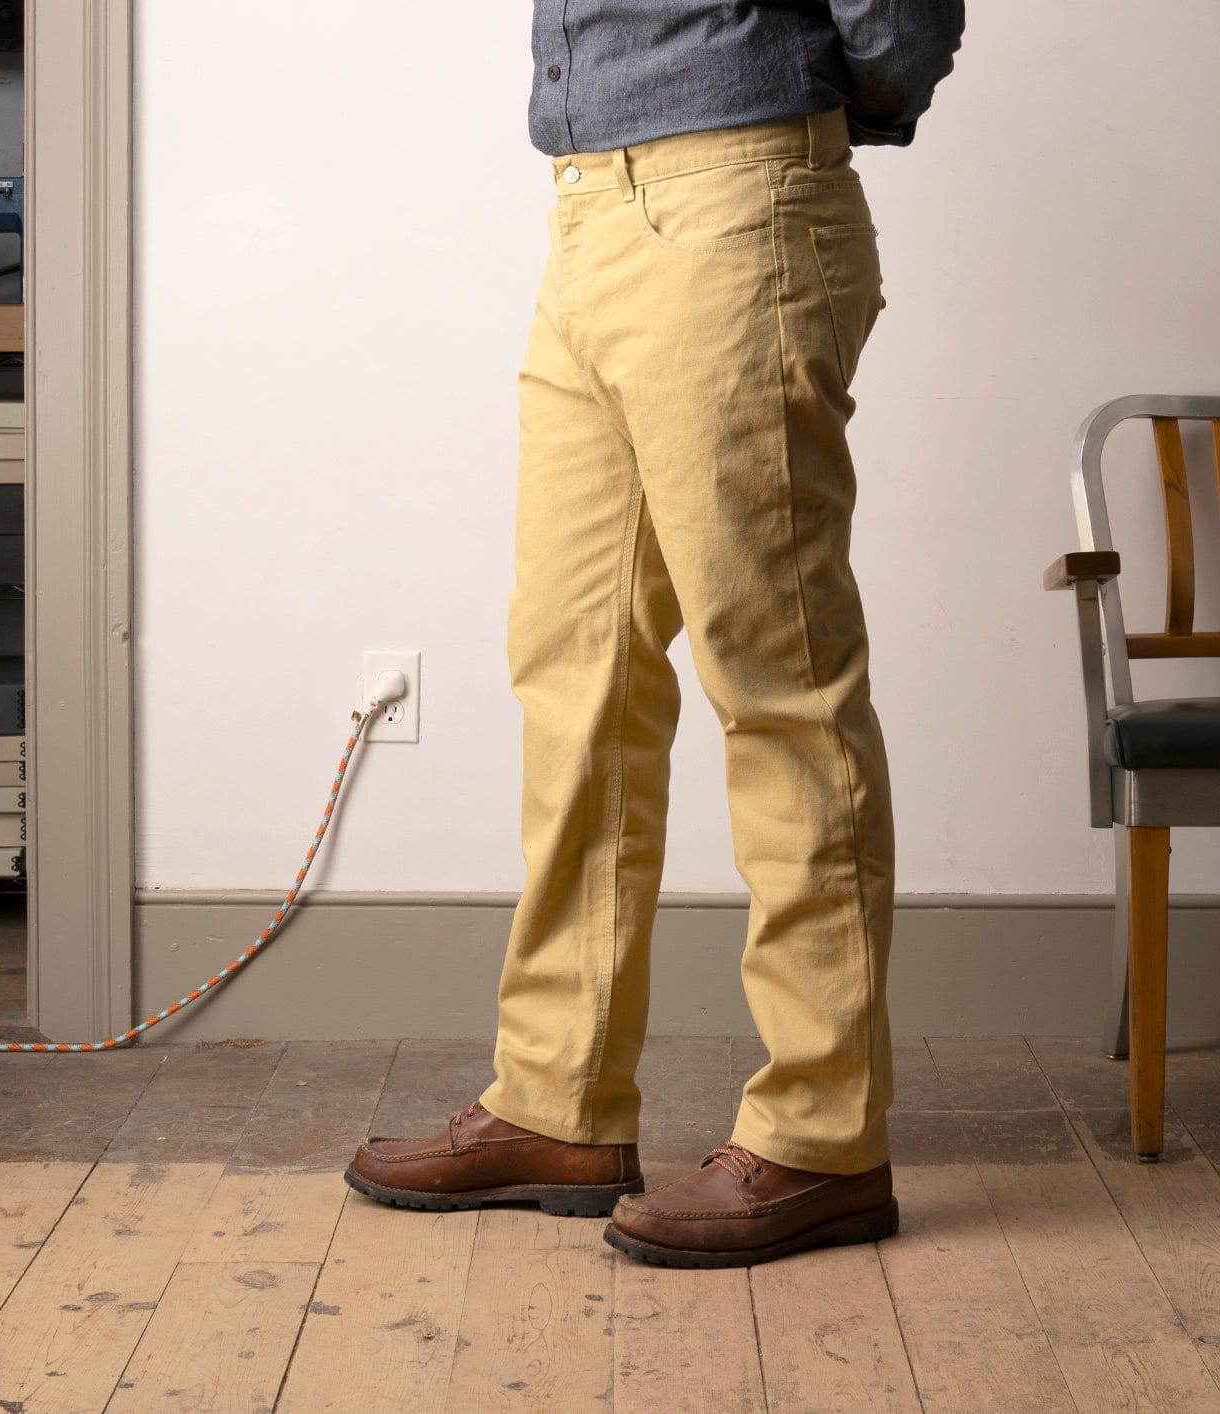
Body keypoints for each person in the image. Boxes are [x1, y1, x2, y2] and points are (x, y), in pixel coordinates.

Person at [345, 0, 966, 1269]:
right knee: (574, 670)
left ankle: (825, 1129)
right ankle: (558, 1097)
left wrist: (814, 102)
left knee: (777, 676)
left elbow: (897, 14)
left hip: (737, 193)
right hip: (584, 207)